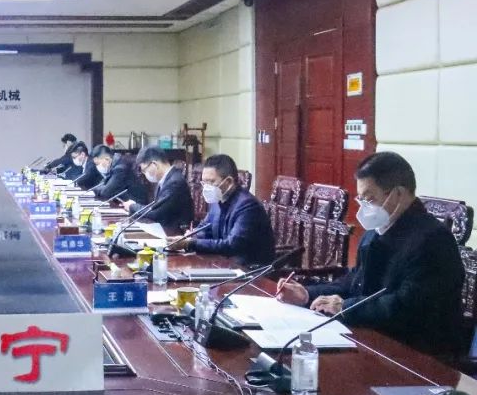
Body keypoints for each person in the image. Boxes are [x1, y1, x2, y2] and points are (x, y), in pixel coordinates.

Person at [277, 151, 464, 359]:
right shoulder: (376, 231)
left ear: (398, 194)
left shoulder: (433, 240)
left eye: (370, 199)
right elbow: (354, 282)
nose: (365, 208)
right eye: (362, 199)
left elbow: (407, 307)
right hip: (371, 337)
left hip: (417, 354)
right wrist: (307, 294)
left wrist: (344, 307)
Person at [168, 154, 274, 266]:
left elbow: (232, 245)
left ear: (229, 182)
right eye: (204, 182)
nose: (206, 187)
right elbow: (205, 229)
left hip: (248, 269)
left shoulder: (248, 206)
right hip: (222, 263)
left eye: (211, 182)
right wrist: (191, 236)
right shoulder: (218, 199)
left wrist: (190, 243)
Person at [124, 146, 193, 233]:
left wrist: (132, 206)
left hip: (175, 234)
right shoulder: (166, 180)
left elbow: (156, 213)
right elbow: (155, 207)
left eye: (144, 170)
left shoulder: (174, 182)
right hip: (165, 229)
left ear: (154, 165)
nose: (144, 174)